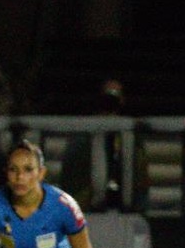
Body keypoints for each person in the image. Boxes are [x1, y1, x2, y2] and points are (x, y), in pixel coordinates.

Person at [59, 77, 150, 212]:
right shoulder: (83, 135)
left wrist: (138, 206)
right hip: (89, 208)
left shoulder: (131, 135)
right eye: (107, 96)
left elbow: (140, 174)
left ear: (122, 100)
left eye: (115, 96)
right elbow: (71, 173)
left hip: (125, 209)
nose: (110, 101)